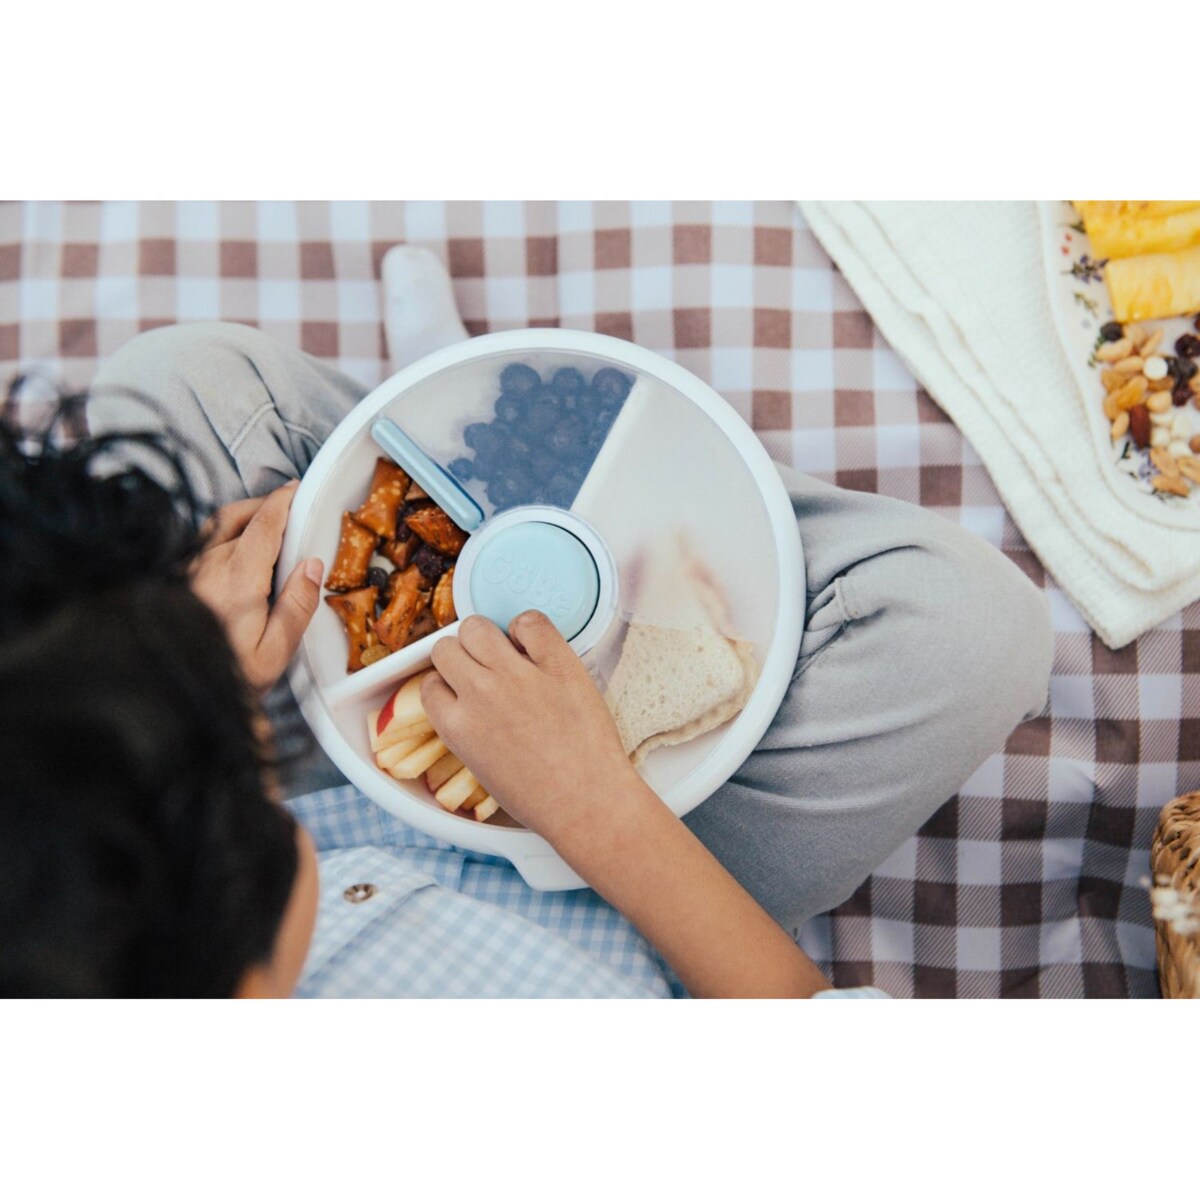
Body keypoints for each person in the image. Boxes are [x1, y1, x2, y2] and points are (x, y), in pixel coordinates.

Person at [0, 248, 1053, 998]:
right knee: (973, 632)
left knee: (172, 386)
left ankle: (488, 453)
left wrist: (182, 696)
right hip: (646, 884)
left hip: (333, 788)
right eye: (224, 789)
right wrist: (598, 812)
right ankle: (539, 471)